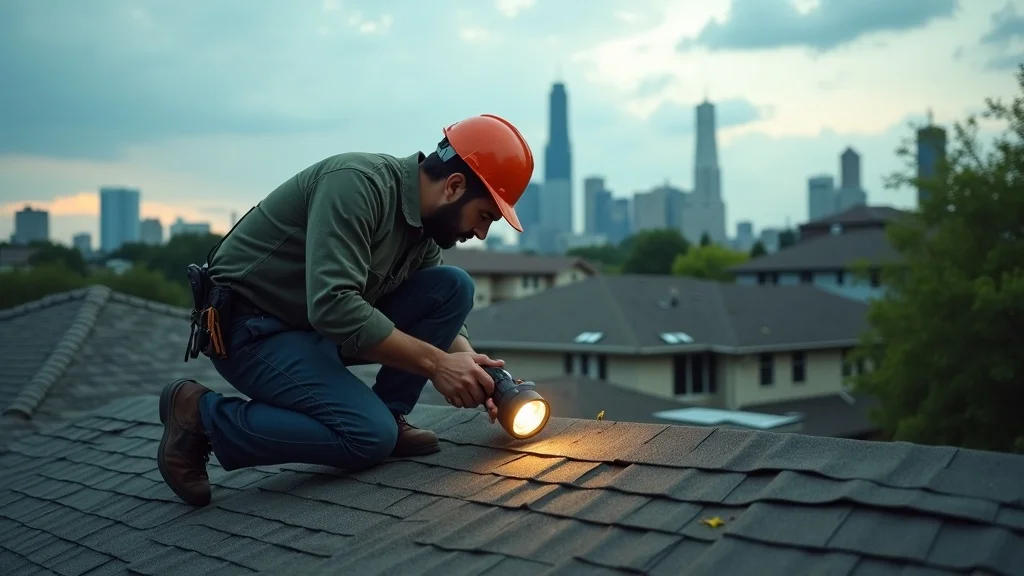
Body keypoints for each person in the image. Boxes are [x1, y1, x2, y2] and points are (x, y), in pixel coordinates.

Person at [156, 114, 535, 507]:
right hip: (252, 331)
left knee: (454, 286)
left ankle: (391, 415)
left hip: (310, 329)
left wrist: (471, 365)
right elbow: (333, 305)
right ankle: (200, 415)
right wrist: (439, 366)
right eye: (485, 215)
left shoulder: (423, 230)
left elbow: (436, 304)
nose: (482, 233)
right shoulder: (357, 184)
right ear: (454, 186)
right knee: (366, 437)